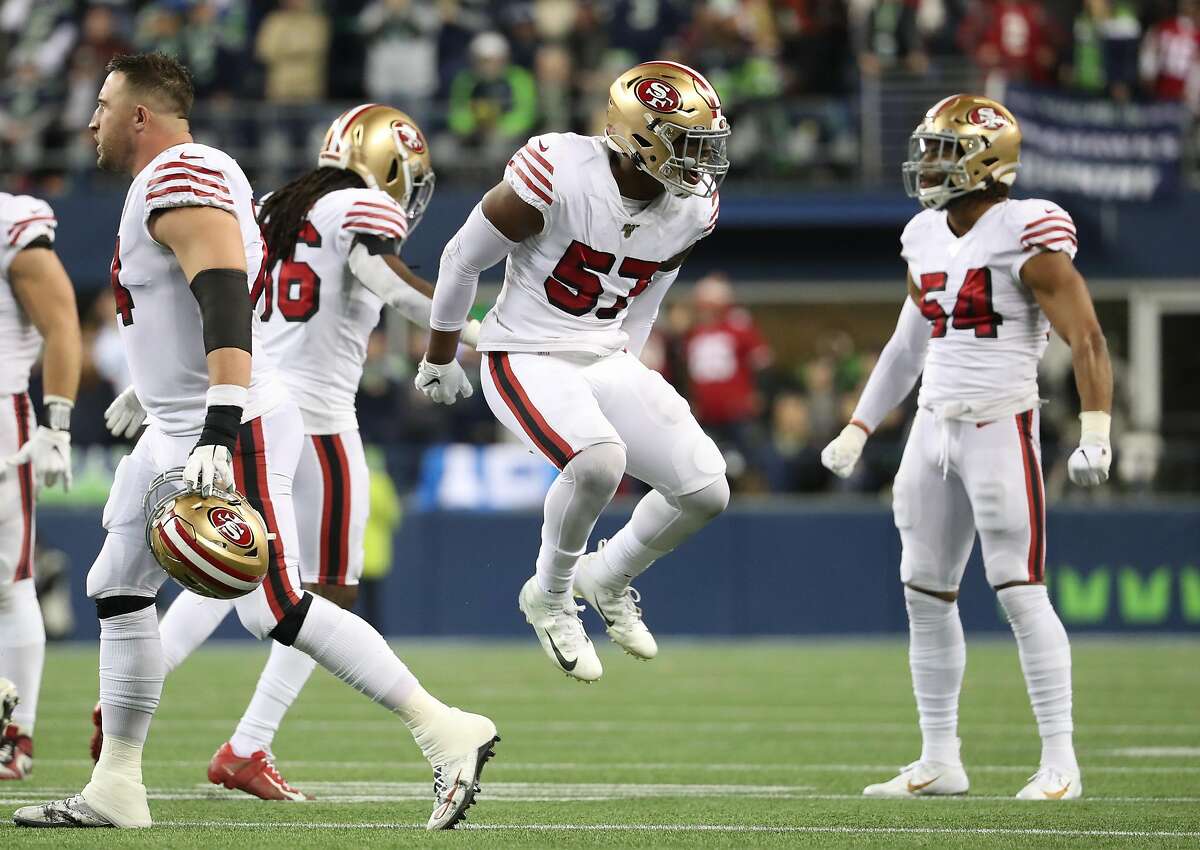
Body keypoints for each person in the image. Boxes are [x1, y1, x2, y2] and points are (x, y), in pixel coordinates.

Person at [14, 53, 496, 830]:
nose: (90, 118)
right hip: (182, 419)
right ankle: (116, 785)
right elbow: (212, 296)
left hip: (225, 423)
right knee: (118, 583)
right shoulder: (185, 179)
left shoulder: (185, 172)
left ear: (142, 115)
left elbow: (225, 290)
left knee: (273, 609)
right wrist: (158, 383)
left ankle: (446, 730)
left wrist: (218, 418)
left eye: (104, 104)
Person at [821, 94, 1112, 801]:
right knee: (924, 592)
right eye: (927, 149)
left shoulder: (1027, 231)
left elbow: (1088, 336)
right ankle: (940, 759)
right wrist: (859, 426)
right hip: (932, 425)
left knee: (1018, 589)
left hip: (999, 423)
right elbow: (907, 343)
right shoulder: (923, 235)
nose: (926, 163)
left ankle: (1059, 762)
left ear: (986, 160)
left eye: (942, 150)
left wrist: (1097, 429)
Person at [416, 61, 731, 683]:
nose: (701, 160)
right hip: (526, 352)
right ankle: (551, 593)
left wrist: (628, 372)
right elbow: (459, 259)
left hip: (604, 352)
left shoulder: (692, 208)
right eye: (686, 142)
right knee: (597, 462)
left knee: (705, 490)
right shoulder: (557, 171)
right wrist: (440, 353)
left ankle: (608, 576)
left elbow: (647, 298)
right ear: (640, 136)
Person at [0, 191, 82, 780]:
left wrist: (56, 422)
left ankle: (15, 736)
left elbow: (60, 322)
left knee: (11, 583)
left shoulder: (12, 222)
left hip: (2, 413)